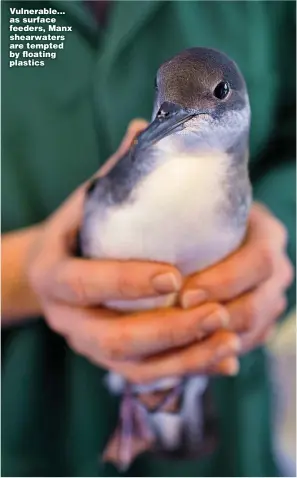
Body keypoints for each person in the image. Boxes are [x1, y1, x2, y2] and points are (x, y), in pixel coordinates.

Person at [2, 1, 295, 476]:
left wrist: (282, 239)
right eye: (166, 102)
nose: (169, 118)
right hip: (22, 425)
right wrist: (21, 276)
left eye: (215, 95)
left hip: (227, 422)